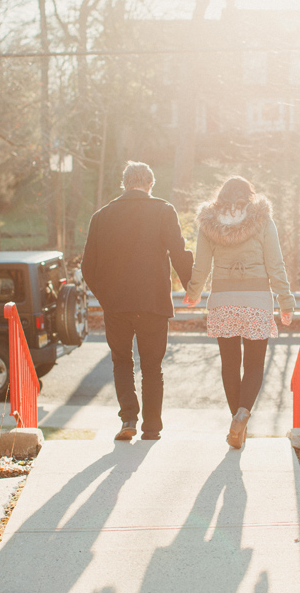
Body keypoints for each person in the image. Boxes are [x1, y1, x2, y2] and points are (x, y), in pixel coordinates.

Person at [81, 161, 194, 441]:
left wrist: (106, 297)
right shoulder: (163, 210)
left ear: (124, 183)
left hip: (116, 305)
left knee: (121, 362)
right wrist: (193, 287)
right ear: (149, 184)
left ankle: (128, 419)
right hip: (153, 303)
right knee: (152, 367)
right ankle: (152, 427)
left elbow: (87, 267)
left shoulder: (101, 217)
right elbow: (179, 253)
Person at [182, 176, 295, 449]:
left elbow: (202, 265)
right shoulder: (263, 221)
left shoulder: (209, 224)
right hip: (257, 302)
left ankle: (237, 424)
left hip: (223, 301)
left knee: (229, 365)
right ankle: (243, 415)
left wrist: (194, 292)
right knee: (254, 365)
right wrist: (286, 302)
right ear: (249, 195)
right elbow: (275, 264)